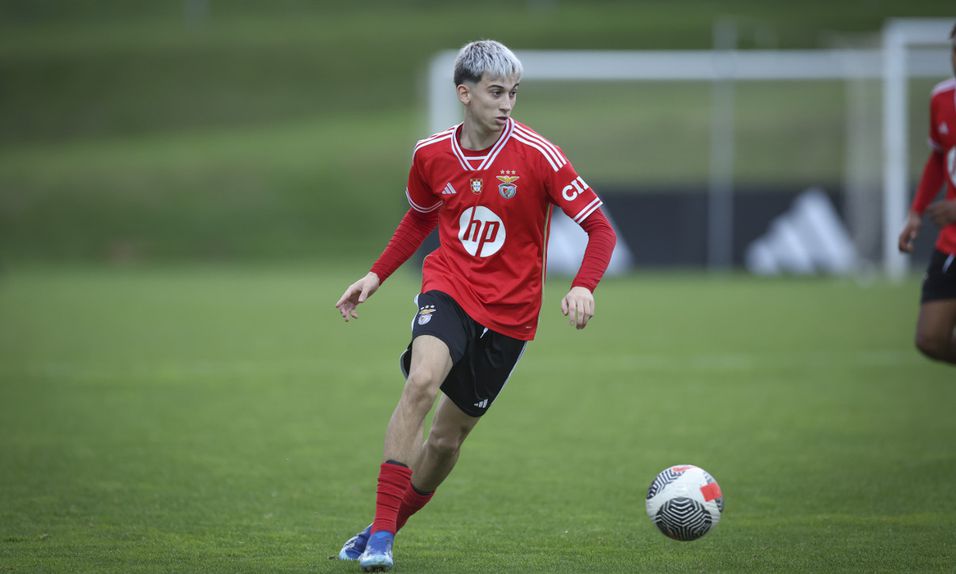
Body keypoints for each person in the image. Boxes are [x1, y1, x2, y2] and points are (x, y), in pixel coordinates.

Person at [333, 39, 617, 571]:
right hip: (450, 285)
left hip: (511, 315)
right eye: (494, 91)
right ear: (464, 94)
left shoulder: (539, 155)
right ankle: (380, 542)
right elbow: (419, 217)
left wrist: (584, 284)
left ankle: (385, 526)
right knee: (420, 383)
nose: (506, 101)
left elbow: (599, 228)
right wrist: (376, 274)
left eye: (512, 92)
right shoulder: (430, 153)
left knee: (444, 441)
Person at [897, 22, 956, 366]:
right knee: (930, 338)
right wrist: (916, 211)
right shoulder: (942, 98)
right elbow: (939, 155)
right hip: (951, 241)